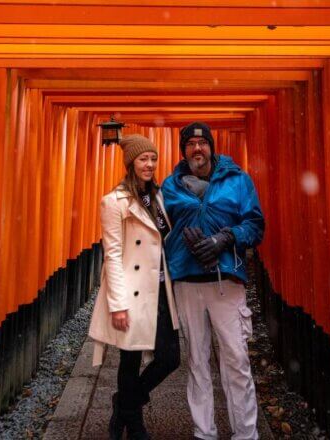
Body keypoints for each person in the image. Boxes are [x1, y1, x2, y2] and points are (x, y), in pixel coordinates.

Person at [161, 122, 265, 440]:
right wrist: (185, 245)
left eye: (202, 143)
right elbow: (160, 228)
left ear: (211, 147)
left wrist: (225, 238)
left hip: (226, 279)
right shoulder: (171, 186)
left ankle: (245, 434)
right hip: (187, 281)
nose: (197, 149)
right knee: (197, 359)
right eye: (190, 144)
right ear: (183, 150)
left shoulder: (237, 180)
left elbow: (255, 224)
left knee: (235, 356)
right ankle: (203, 432)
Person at [88, 134, 181, 440]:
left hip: (159, 289)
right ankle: (135, 425)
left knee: (170, 358)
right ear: (131, 163)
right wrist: (117, 304)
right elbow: (112, 255)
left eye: (153, 159)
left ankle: (123, 404)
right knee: (129, 359)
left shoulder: (158, 197)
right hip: (132, 292)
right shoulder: (114, 202)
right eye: (144, 159)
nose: (150, 165)